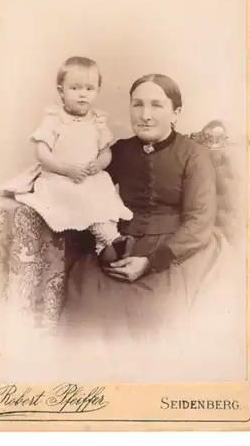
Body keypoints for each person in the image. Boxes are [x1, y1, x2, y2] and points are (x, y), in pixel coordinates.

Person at [62, 73, 228, 345]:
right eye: (137, 104)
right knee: (87, 305)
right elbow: (86, 187)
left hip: (177, 251)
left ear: (176, 113)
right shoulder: (120, 151)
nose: (145, 115)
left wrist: (152, 262)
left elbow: (199, 222)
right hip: (122, 246)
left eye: (156, 105)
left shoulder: (194, 155)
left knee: (154, 315)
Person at [1, 56, 135, 263]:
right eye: (75, 88)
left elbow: (105, 151)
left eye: (89, 88)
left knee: (104, 195)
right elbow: (42, 152)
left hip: (88, 177)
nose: (82, 94)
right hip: (59, 177)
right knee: (78, 196)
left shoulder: (97, 121)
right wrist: (66, 169)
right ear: (61, 91)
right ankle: (111, 240)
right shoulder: (54, 119)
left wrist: (99, 164)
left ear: (97, 91)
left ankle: (106, 247)